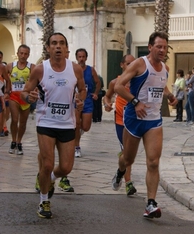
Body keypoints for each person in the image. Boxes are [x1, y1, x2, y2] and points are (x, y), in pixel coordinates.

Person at [21, 32, 86, 219]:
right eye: (54, 43)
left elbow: (82, 90)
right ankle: (43, 201)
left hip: (67, 124)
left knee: (66, 168)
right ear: (48, 48)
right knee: (48, 163)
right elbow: (25, 92)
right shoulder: (40, 70)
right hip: (46, 122)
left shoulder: (75, 70)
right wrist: (29, 96)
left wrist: (80, 100)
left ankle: (47, 179)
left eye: (62, 43)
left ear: (66, 48)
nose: (58, 46)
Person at [113, 32, 177, 218]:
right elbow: (118, 86)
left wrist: (169, 95)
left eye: (165, 47)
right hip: (134, 119)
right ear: (150, 47)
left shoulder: (165, 68)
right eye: (158, 46)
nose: (162, 50)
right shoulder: (140, 64)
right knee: (128, 159)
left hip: (153, 121)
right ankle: (120, 171)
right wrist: (135, 102)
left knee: (153, 162)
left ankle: (150, 203)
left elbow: (160, 86)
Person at [104, 54, 137, 196]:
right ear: (122, 65)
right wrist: (107, 104)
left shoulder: (139, 81)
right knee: (126, 152)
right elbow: (106, 96)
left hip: (136, 120)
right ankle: (128, 183)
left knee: (129, 154)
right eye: (128, 63)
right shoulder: (115, 82)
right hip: (121, 122)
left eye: (133, 63)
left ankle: (119, 173)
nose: (131, 66)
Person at [6, 45, 35, 155]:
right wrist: (6, 91)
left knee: (23, 123)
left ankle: (19, 142)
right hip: (14, 96)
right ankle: (13, 140)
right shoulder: (10, 66)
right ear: (17, 54)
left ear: (28, 55)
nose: (23, 56)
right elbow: (5, 79)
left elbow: (35, 81)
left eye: (26, 54)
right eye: (21, 53)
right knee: (14, 119)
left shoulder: (32, 67)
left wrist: (32, 92)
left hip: (25, 97)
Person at [74, 48, 101, 158]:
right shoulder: (72, 69)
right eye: (79, 57)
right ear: (76, 58)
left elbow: (98, 82)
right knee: (76, 124)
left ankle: (78, 132)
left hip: (88, 100)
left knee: (85, 127)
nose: (81, 59)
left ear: (86, 58)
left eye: (83, 57)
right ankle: (76, 147)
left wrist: (95, 93)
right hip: (76, 100)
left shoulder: (90, 70)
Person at [0, 50, 10, 137]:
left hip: (4, 91)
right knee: (1, 111)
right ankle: (3, 128)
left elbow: (8, 80)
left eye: (0, 58)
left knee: (7, 113)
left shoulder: (5, 67)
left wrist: (7, 91)